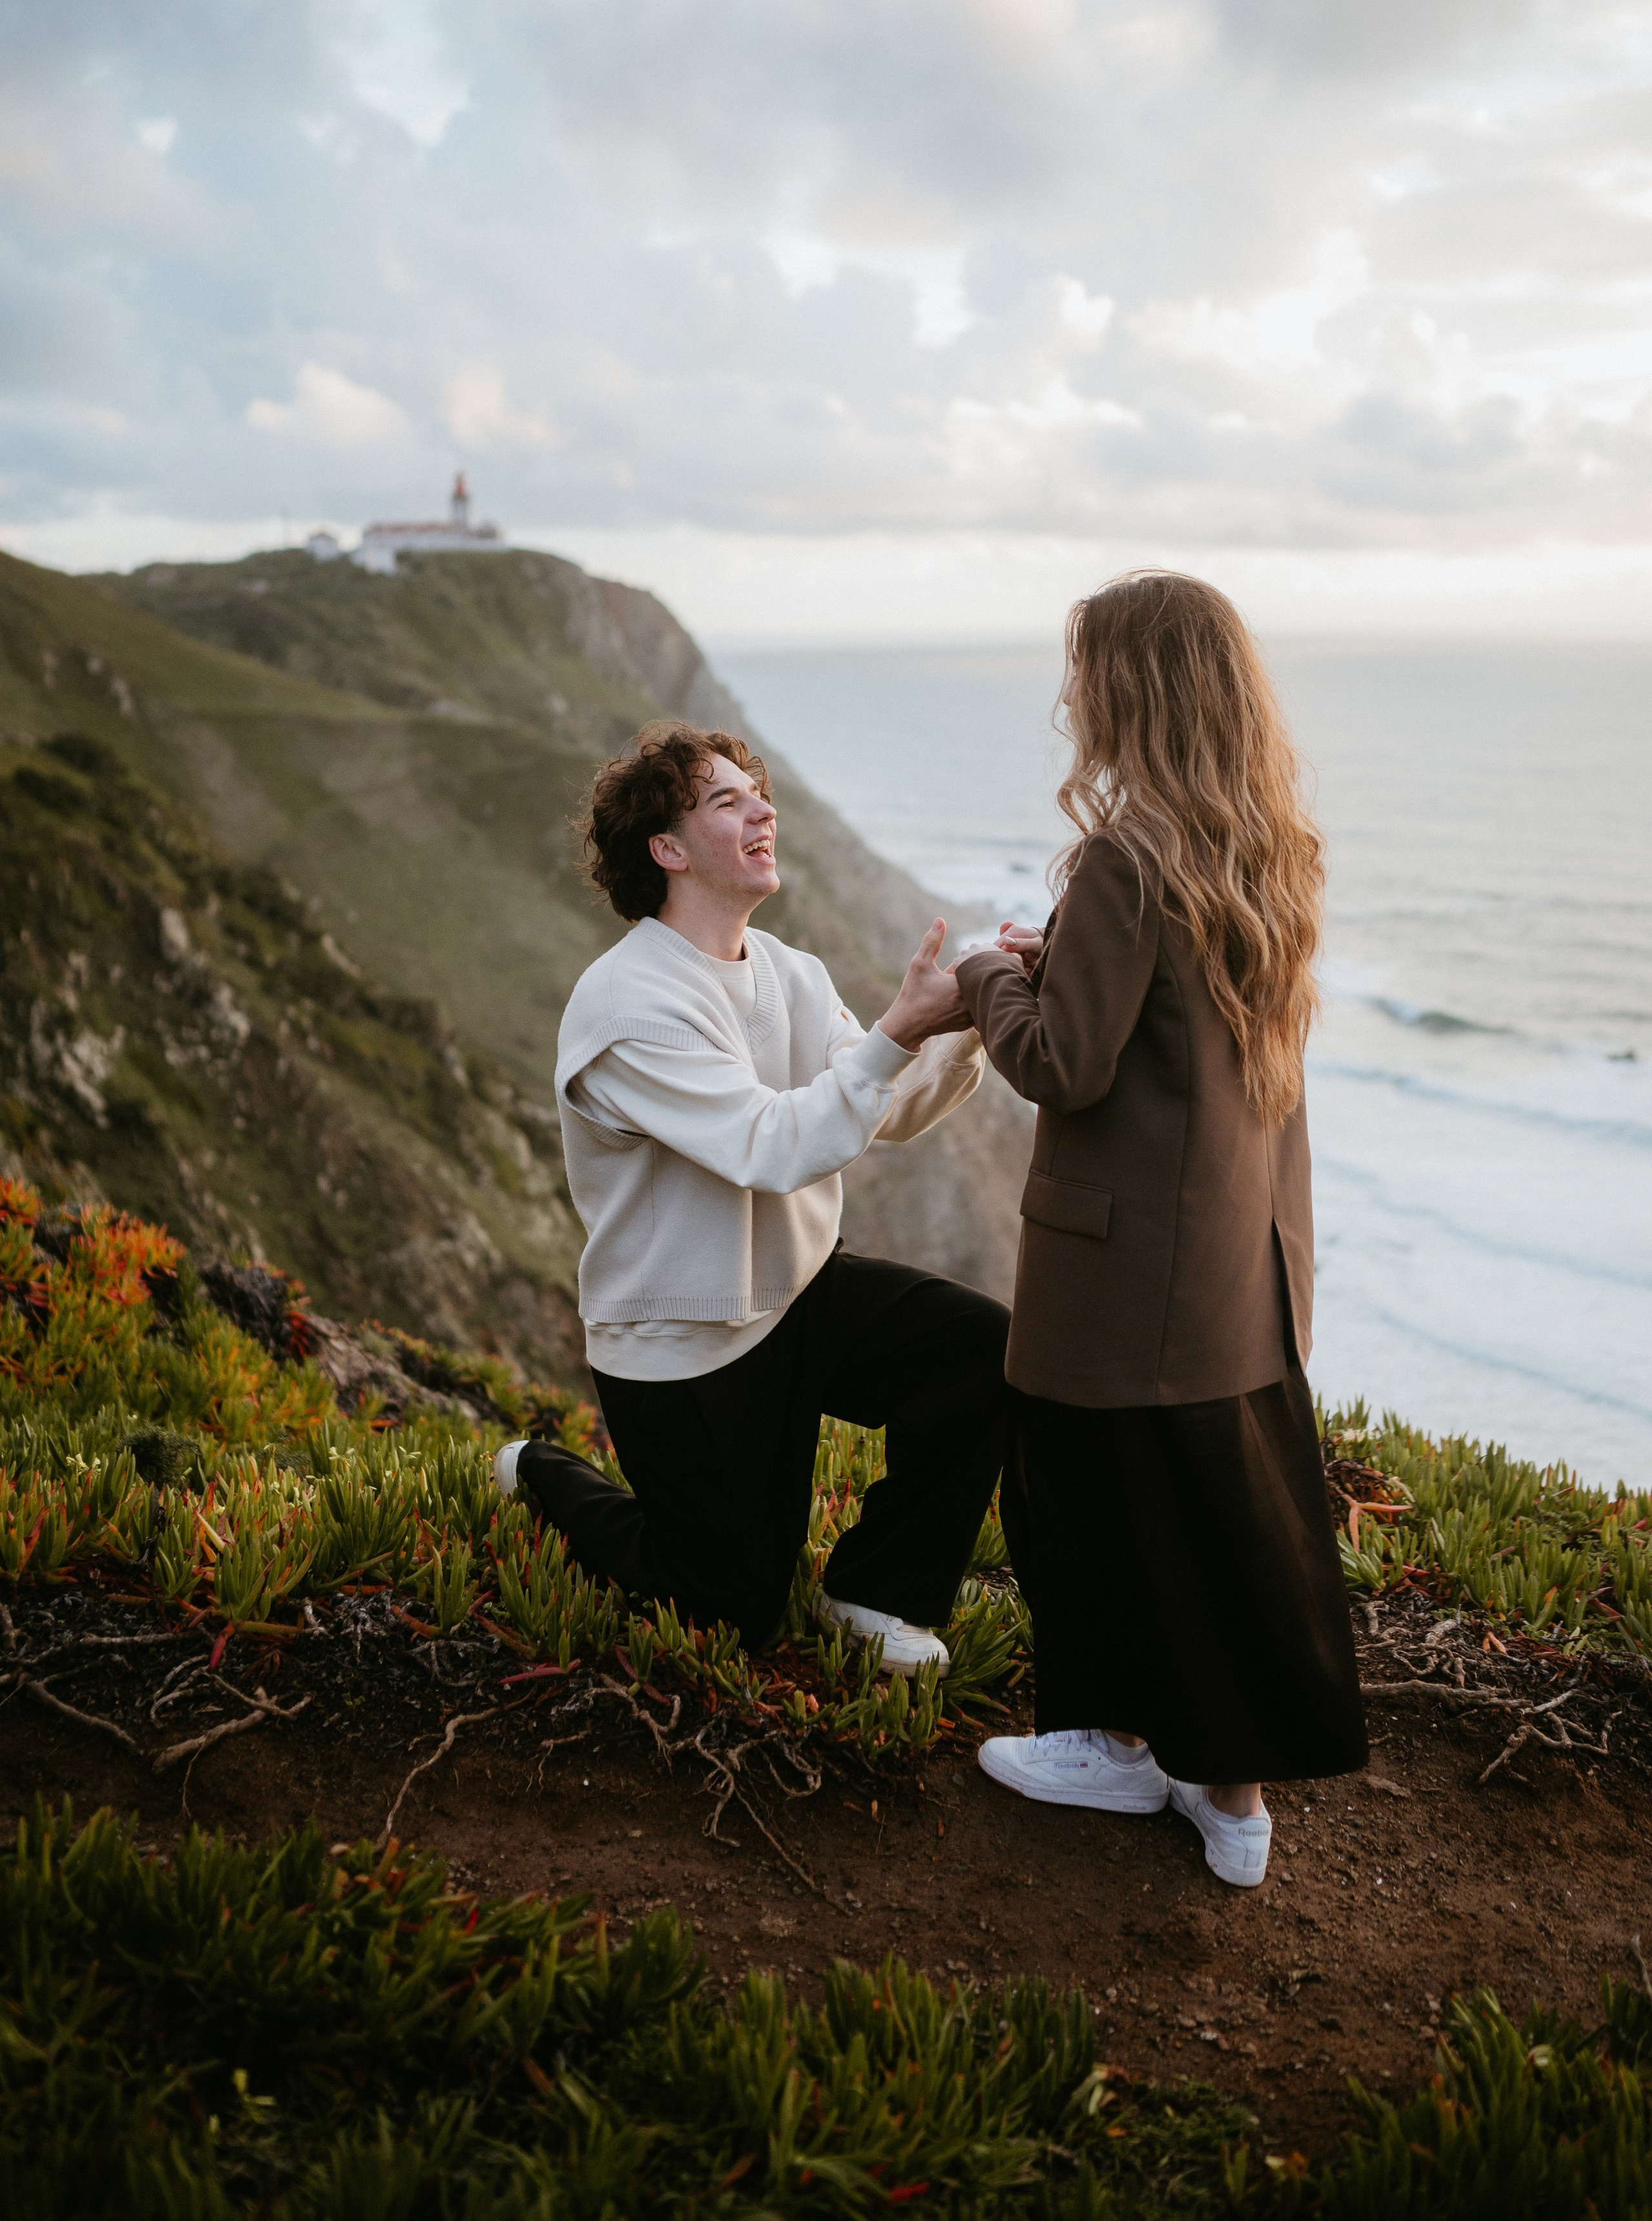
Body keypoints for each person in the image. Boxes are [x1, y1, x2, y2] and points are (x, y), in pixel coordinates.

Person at [954, 572, 1366, 1889]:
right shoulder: (1266, 849)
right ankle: (1226, 1794)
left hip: (1121, 1270)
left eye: (1081, 669)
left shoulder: (1123, 858)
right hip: (1235, 1262)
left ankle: (1126, 1750)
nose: (1068, 694)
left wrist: (988, 979)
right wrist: (1053, 962)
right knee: (1214, 1520)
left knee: (1094, 1506)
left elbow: (1065, 1066)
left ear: (1131, 687)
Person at [494, 720, 1018, 1673]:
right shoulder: (627, 1009)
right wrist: (899, 1030)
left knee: (982, 1350)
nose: (764, 810)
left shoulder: (791, 972)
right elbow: (770, 1145)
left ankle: (875, 1591)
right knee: (727, 1612)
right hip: (684, 1343)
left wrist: (969, 1017)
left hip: (799, 1291)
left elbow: (882, 1108)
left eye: (758, 793)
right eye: (726, 801)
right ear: (667, 849)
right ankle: (542, 1472)